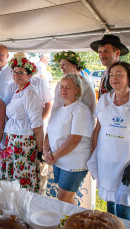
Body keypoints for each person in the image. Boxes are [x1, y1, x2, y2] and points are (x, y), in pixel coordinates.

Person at [88, 61, 130, 220]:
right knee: (111, 208)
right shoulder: (104, 99)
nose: (114, 78)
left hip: (129, 162)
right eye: (111, 75)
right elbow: (97, 130)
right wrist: (94, 157)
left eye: (119, 75)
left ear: (129, 78)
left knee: (125, 209)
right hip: (106, 162)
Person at [4, 52, 53, 195]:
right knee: (15, 179)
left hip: (24, 142)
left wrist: (39, 150)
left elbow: (37, 125)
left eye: (21, 73)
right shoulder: (18, 91)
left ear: (29, 75)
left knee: (23, 180)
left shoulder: (30, 93)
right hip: (14, 140)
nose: (16, 75)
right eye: (14, 72)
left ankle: (25, 211)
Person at [44, 74, 94, 204]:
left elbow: (74, 140)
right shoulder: (59, 109)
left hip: (74, 162)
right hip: (58, 160)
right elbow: (48, 133)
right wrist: (45, 151)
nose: (63, 90)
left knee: (64, 199)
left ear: (77, 90)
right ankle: (70, 222)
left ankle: (70, 223)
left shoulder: (80, 110)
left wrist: (53, 155)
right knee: (64, 199)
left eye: (68, 87)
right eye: (61, 87)